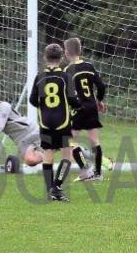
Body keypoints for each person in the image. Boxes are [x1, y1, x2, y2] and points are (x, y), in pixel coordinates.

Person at [29, 44, 81, 201]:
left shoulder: (39, 77)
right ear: (62, 57)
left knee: (48, 154)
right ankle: (56, 187)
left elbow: (32, 100)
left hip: (45, 123)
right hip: (62, 122)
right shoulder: (65, 77)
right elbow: (73, 100)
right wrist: (78, 105)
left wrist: (44, 107)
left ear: (45, 57)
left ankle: (49, 190)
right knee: (67, 155)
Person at [63, 36, 107, 181]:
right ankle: (98, 173)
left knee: (69, 141)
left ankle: (86, 170)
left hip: (78, 108)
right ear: (80, 50)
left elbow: (68, 94)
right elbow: (101, 86)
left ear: (66, 52)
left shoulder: (67, 70)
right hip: (92, 107)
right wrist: (99, 100)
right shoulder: (89, 66)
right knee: (95, 141)